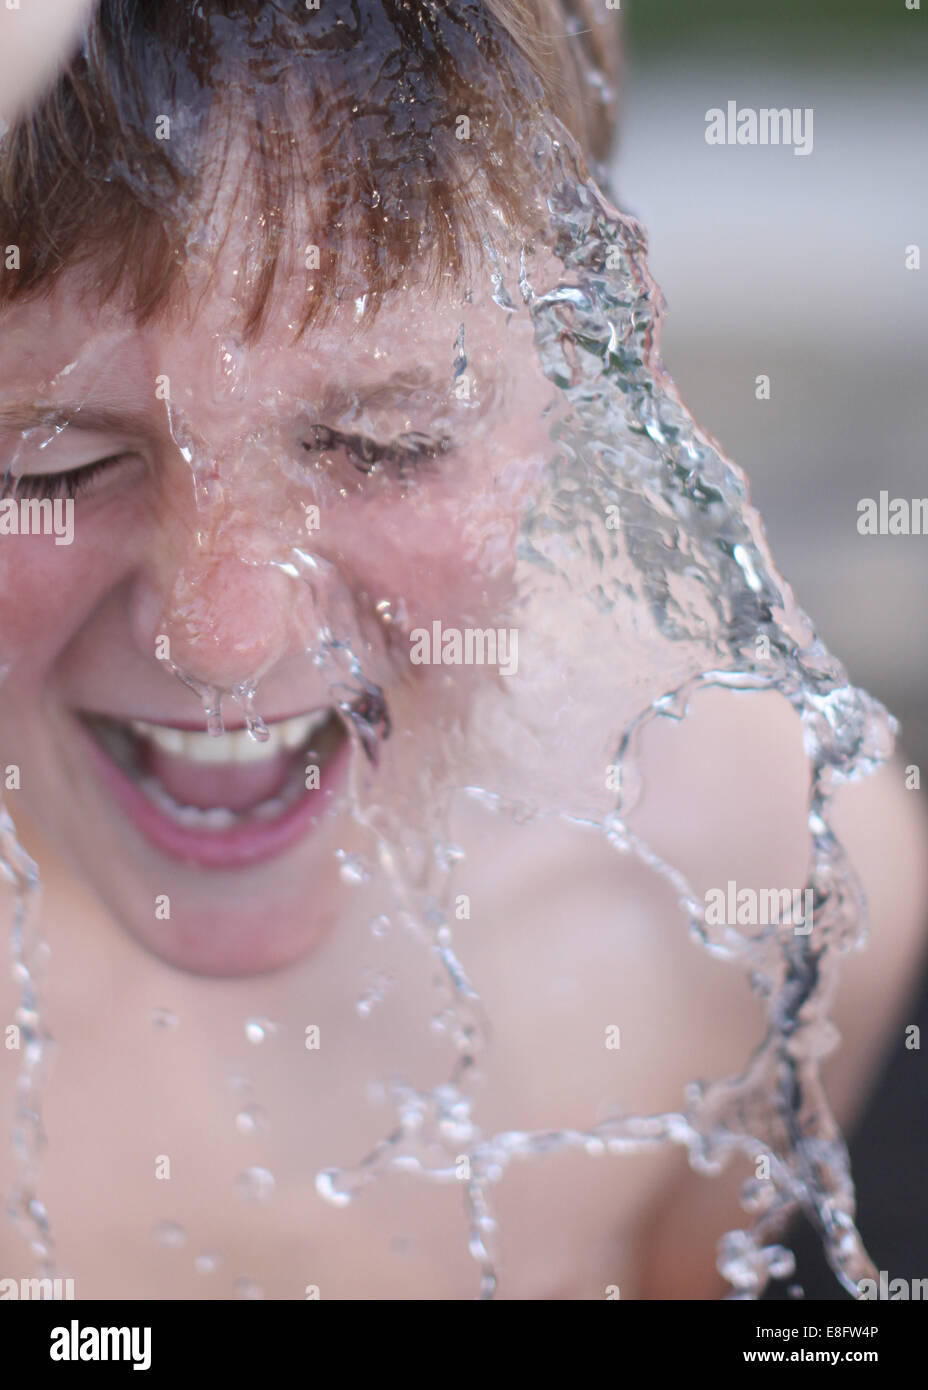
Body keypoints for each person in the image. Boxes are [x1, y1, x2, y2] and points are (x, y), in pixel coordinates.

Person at [0, 0, 925, 1301]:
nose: (226, 636)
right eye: (56, 463)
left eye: (385, 443)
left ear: (581, 372)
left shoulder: (753, 879)